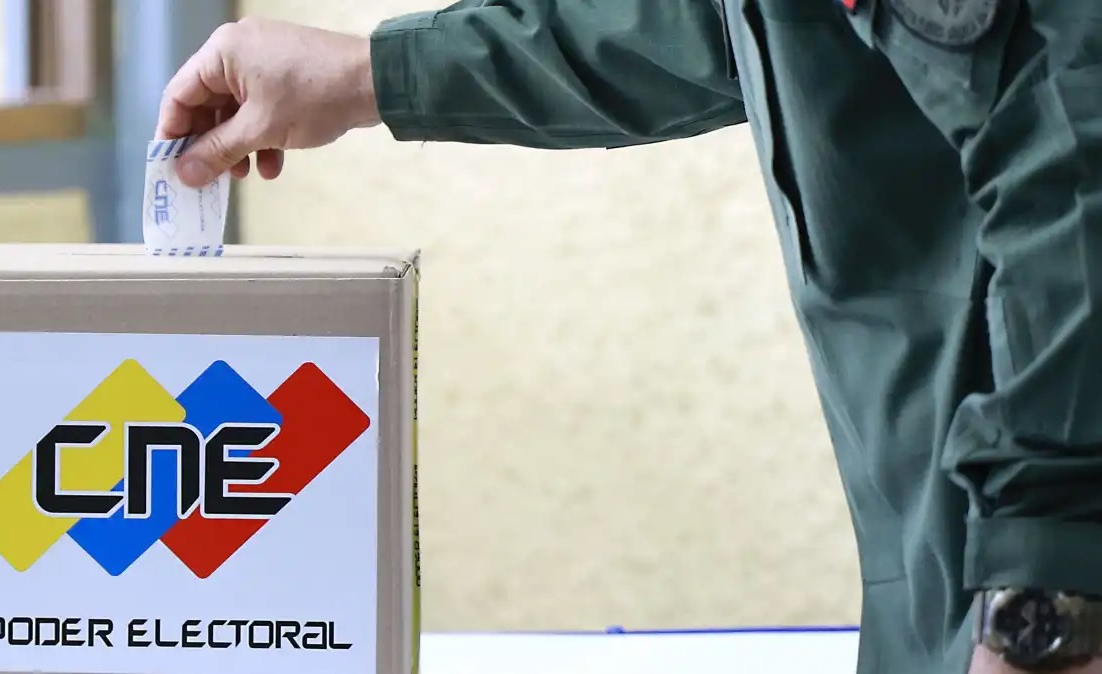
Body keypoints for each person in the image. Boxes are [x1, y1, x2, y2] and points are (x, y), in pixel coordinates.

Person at [154, 2, 1102, 673]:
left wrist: (1051, 605)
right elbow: (715, 26)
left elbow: (1073, 163)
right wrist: (373, 76)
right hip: (959, 562)